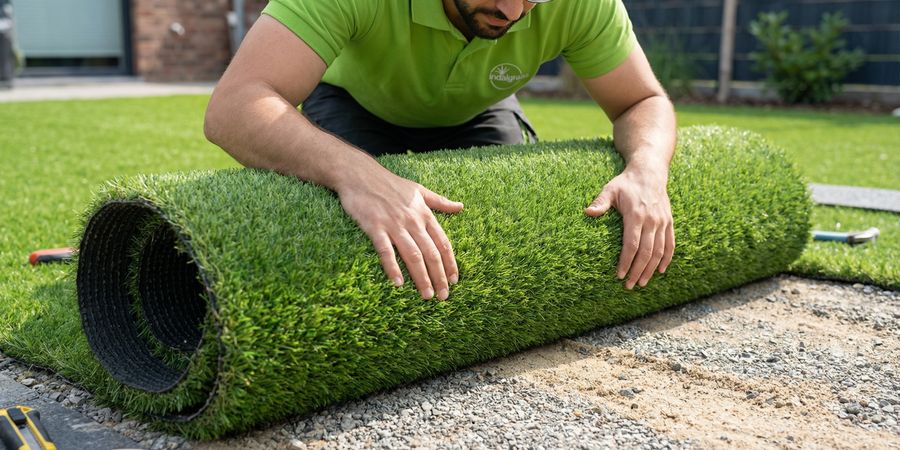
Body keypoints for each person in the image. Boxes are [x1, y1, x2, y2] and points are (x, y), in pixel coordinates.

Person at [204, 0, 676, 302]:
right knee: (357, 236)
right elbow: (235, 106)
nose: (513, 11)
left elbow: (642, 100)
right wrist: (357, 174)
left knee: (505, 231)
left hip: (479, 107)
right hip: (355, 101)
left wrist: (648, 168)